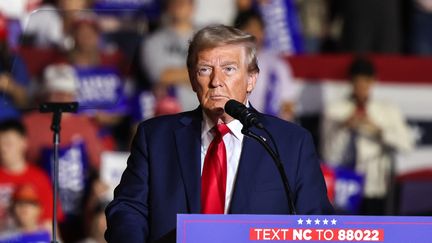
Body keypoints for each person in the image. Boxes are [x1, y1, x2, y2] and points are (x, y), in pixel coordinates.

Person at [105, 25, 333, 243]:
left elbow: (316, 222)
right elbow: (128, 209)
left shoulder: (290, 143)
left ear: (251, 79)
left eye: (229, 69)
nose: (216, 82)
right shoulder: (156, 137)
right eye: (205, 70)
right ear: (193, 80)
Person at [321, 57, 414, 215]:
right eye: (357, 82)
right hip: (345, 185)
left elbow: (407, 145)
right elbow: (328, 154)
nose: (361, 87)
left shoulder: (386, 110)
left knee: (375, 234)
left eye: (366, 81)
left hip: (375, 186)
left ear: (373, 82)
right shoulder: (335, 110)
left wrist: (379, 131)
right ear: (350, 82)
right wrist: (344, 127)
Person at [0, 119, 60, 233]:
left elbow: (50, 224)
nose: (3, 148)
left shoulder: (38, 178)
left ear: (24, 143)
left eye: (8, 143)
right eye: (0, 143)